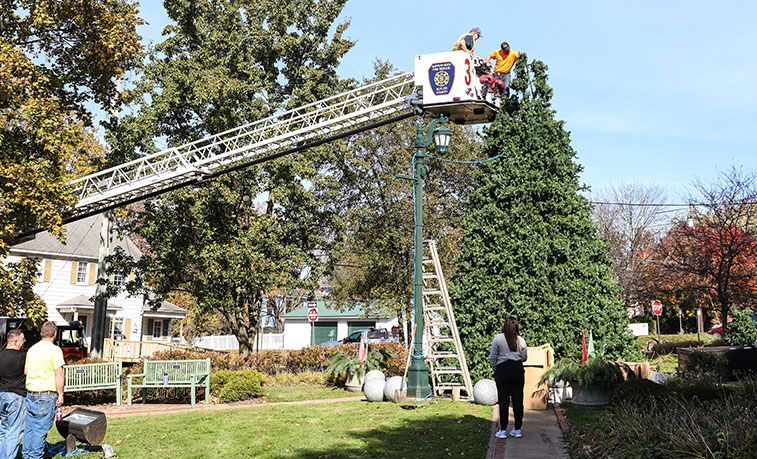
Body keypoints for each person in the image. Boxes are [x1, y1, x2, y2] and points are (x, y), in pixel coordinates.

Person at [23, 321, 65, 459]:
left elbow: (26, 371)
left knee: (30, 430)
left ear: (41, 333)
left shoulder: (32, 349)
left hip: (30, 394)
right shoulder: (55, 350)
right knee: (40, 431)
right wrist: (61, 394)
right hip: (46, 395)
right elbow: (59, 374)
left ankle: (26, 455)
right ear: (55, 333)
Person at [490, 317, 528, 439]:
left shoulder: (498, 338)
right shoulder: (521, 340)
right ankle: (517, 429)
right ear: (517, 327)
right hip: (517, 370)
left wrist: (497, 371)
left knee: (503, 401)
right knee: (518, 401)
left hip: (503, 370)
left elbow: (493, 357)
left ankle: (502, 431)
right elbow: (524, 358)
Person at [0, 329, 27, 459]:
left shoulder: (0, 355)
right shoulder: (22, 357)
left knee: (3, 431)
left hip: (1, 395)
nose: (24, 342)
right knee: (13, 432)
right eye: (22, 339)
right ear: (15, 341)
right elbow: (28, 372)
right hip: (15, 396)